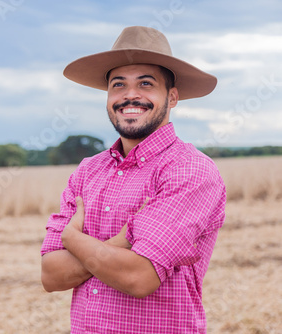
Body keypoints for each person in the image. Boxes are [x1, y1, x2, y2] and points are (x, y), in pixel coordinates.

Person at [40, 26, 226, 333]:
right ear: (108, 96)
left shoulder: (189, 170)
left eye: (146, 83)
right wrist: (123, 241)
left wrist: (72, 239)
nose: (130, 95)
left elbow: (138, 277)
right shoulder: (87, 171)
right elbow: (51, 276)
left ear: (173, 96)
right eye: (118, 85)